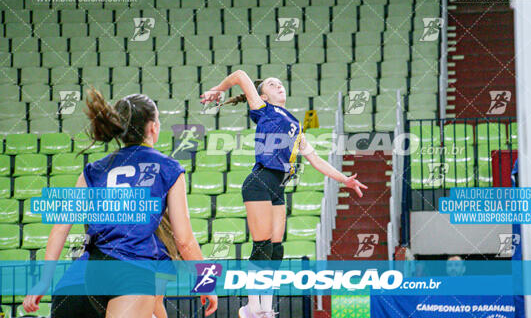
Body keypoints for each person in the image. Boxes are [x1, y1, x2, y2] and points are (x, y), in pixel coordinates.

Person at [23, 89, 217, 317]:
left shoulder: (92, 170)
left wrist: (44, 281)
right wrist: (206, 282)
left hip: (78, 280)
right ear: (153, 127)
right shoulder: (169, 168)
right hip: (130, 274)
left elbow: (59, 229)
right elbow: (184, 240)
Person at [200, 71, 368, 318]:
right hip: (259, 182)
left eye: (280, 83)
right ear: (263, 95)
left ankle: (265, 309)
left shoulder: (296, 125)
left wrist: (344, 180)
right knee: (262, 247)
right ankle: (251, 309)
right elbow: (239, 75)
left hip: (278, 187)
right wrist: (218, 88)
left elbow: (316, 159)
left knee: (275, 250)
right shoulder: (263, 108)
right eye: (271, 84)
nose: (279, 85)